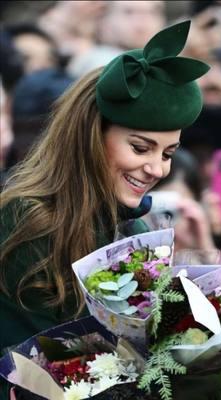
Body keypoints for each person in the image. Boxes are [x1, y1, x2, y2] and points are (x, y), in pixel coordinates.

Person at [0, 20, 209, 395]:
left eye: (168, 154)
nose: (157, 169)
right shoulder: (24, 219)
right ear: (91, 136)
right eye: (141, 148)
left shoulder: (137, 232)